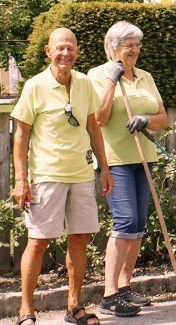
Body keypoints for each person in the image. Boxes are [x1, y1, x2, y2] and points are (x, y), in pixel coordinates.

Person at [11, 28, 113, 325]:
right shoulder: (34, 85)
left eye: (70, 48)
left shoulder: (84, 84)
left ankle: (74, 307)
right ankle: (26, 310)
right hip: (46, 175)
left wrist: (104, 168)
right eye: (60, 48)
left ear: (77, 51)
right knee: (38, 241)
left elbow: (93, 127)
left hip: (81, 173)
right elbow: (21, 134)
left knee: (79, 238)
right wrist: (21, 179)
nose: (65, 53)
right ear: (48, 51)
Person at [87, 21, 169, 316]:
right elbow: (98, 118)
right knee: (125, 222)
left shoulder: (145, 76)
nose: (133, 50)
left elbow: (163, 119)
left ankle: (124, 287)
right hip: (115, 160)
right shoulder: (97, 75)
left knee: (137, 226)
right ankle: (108, 295)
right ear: (113, 47)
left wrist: (146, 119)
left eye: (136, 45)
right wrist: (112, 79)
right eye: (127, 45)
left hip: (143, 157)